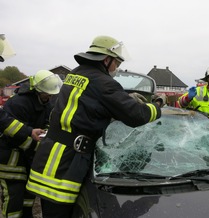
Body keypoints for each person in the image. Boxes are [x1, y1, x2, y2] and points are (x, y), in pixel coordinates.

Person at [26, 35, 166, 218]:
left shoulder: (76, 73)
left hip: (51, 154)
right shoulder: (104, 82)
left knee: (52, 211)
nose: (117, 68)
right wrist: (156, 106)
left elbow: (92, 104)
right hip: (66, 162)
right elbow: (136, 116)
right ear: (106, 59)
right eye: (116, 63)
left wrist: (122, 99)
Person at [0, 70, 63, 218]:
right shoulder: (18, 103)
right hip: (11, 161)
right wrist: (37, 146)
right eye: (47, 93)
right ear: (38, 91)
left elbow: (48, 123)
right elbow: (12, 133)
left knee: (28, 199)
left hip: (27, 160)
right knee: (14, 198)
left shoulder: (45, 104)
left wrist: (46, 133)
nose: (50, 96)